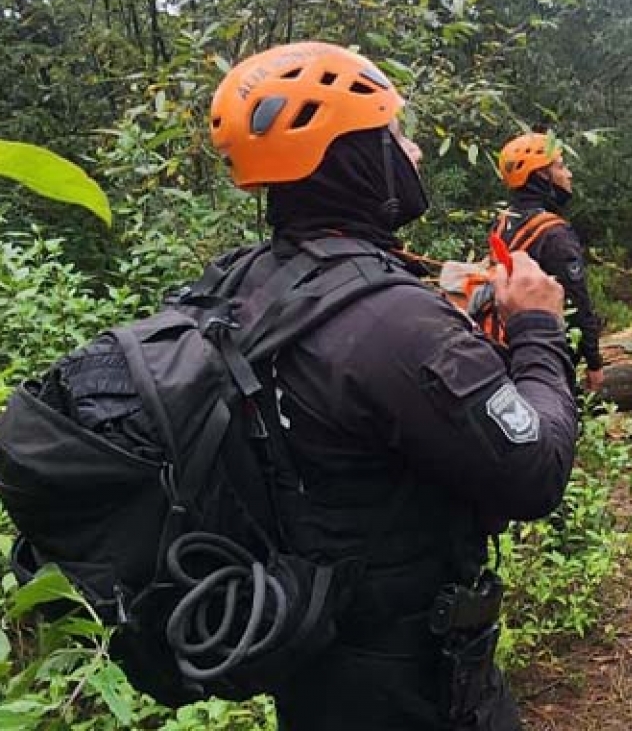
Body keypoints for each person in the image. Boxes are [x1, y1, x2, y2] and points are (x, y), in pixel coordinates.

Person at [208, 41, 580, 730]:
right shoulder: (398, 326)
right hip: (413, 682)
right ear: (352, 156)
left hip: (310, 660)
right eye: (395, 134)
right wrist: (536, 327)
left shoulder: (241, 283)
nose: (412, 151)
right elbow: (537, 473)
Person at [493, 133, 604, 393]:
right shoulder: (554, 234)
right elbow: (577, 302)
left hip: (508, 349)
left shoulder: (502, 223)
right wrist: (594, 362)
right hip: (548, 356)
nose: (569, 175)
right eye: (561, 166)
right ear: (542, 175)